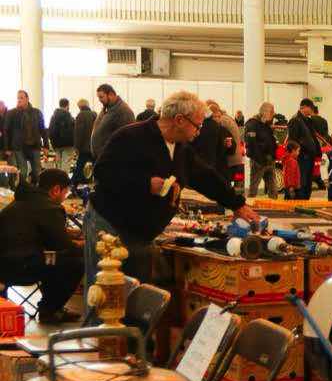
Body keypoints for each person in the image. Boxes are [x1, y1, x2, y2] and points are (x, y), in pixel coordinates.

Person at [87, 91, 257, 289]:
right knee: (105, 292)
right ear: (179, 120)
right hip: (111, 226)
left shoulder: (181, 149)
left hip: (142, 233)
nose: (199, 131)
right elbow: (103, 172)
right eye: (197, 125)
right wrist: (145, 184)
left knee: (134, 292)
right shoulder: (130, 136)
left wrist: (237, 204)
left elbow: (205, 177)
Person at [0, 169, 82, 325]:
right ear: (56, 189)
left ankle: (50, 308)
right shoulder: (49, 207)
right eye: (65, 193)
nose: (64, 197)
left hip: (6, 265)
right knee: (75, 260)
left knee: (53, 258)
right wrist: (84, 247)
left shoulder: (23, 201)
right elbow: (62, 245)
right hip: (22, 267)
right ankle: (50, 310)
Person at [6, 90, 47, 183]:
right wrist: (7, 148)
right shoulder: (13, 113)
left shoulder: (37, 112)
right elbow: (7, 131)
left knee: (37, 171)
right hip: (19, 147)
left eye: (21, 98)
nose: (19, 100)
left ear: (27, 99)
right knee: (23, 172)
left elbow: (43, 129)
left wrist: (46, 145)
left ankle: (37, 188)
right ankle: (22, 189)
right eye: (18, 98)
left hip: (34, 146)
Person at [90, 84, 135, 165]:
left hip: (112, 161)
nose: (99, 100)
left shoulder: (123, 111)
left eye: (101, 97)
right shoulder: (107, 109)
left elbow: (128, 137)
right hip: (102, 158)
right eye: (98, 97)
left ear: (111, 95)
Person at [287, 98, 323, 200]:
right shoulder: (295, 120)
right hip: (301, 157)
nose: (312, 110)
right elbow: (293, 140)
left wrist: (317, 151)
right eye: (311, 108)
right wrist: (299, 152)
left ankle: (305, 202)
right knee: (301, 183)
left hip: (310, 157)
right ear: (304, 107)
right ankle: (299, 203)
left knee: (307, 184)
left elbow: (313, 137)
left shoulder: (308, 121)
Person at [243, 102, 279, 198]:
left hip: (269, 160)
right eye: (271, 112)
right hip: (258, 161)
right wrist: (261, 158)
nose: (273, 114)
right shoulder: (252, 124)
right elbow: (251, 144)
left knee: (273, 189)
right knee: (253, 189)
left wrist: (272, 155)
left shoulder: (266, 124)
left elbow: (270, 141)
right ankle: (250, 205)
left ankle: (274, 205)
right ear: (265, 112)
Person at [71, 99, 96, 186]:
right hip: (93, 146)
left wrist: (76, 147)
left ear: (80, 106)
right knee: (91, 166)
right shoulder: (95, 114)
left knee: (80, 165)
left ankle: (73, 184)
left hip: (84, 147)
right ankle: (89, 183)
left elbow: (79, 133)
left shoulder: (80, 115)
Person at [49, 98, 77, 173]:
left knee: (58, 165)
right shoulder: (69, 117)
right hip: (68, 145)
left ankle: (58, 179)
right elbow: (73, 131)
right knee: (66, 165)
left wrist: (52, 143)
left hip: (56, 145)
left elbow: (50, 131)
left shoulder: (53, 117)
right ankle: (64, 179)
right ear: (67, 105)